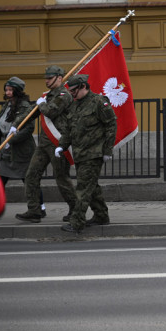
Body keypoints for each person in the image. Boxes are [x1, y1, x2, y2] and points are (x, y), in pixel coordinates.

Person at [18, 66, 78, 223]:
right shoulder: (47, 96)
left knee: (62, 178)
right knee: (31, 175)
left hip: (58, 142)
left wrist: (41, 104)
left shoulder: (64, 95)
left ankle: (76, 210)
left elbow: (51, 111)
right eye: (46, 77)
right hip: (44, 143)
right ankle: (34, 210)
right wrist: (16, 125)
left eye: (50, 78)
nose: (46, 80)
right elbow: (31, 113)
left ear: (59, 78)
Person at [58, 74, 117, 234]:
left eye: (74, 90)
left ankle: (77, 222)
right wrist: (62, 146)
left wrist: (107, 150)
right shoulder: (75, 105)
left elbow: (111, 125)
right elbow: (69, 129)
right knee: (92, 186)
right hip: (80, 153)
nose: (72, 94)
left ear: (83, 86)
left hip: (94, 153)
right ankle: (101, 216)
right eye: (70, 91)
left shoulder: (98, 102)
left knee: (83, 188)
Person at [0, 77, 34, 192]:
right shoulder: (7, 105)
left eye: (10, 90)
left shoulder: (25, 106)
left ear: (17, 91)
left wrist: (12, 140)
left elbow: (29, 128)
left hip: (20, 152)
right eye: (6, 89)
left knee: (29, 183)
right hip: (5, 151)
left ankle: (37, 203)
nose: (7, 92)